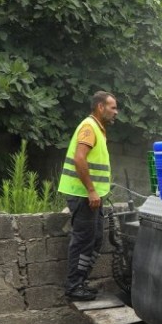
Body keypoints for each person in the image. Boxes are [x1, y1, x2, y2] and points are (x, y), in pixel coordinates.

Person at [60, 91, 117, 302]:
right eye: (112, 107)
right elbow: (79, 159)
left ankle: (81, 282)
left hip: (93, 195)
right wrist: (91, 190)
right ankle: (74, 286)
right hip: (83, 194)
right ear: (100, 107)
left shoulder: (98, 129)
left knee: (95, 239)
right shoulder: (89, 127)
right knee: (83, 240)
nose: (115, 112)